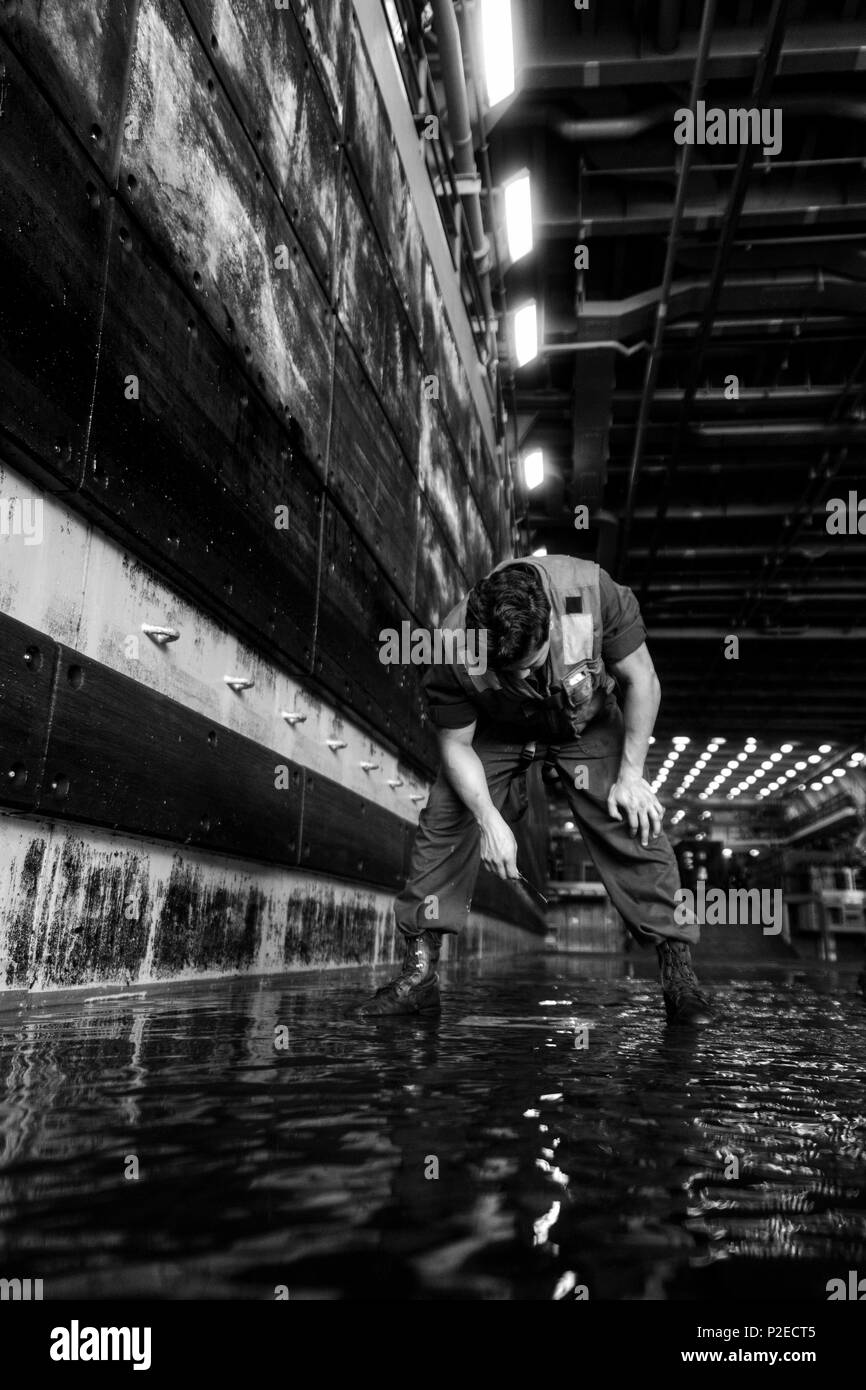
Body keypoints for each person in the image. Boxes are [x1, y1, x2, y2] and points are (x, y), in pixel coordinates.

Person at [350, 554, 713, 1026]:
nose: (523, 677)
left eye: (532, 663)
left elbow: (642, 679)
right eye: (509, 670)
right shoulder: (453, 645)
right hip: (501, 729)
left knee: (632, 819)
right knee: (446, 817)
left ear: (549, 621)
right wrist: (489, 820)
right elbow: (455, 745)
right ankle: (419, 977)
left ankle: (679, 976)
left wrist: (630, 776)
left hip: (585, 723)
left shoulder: (592, 591)